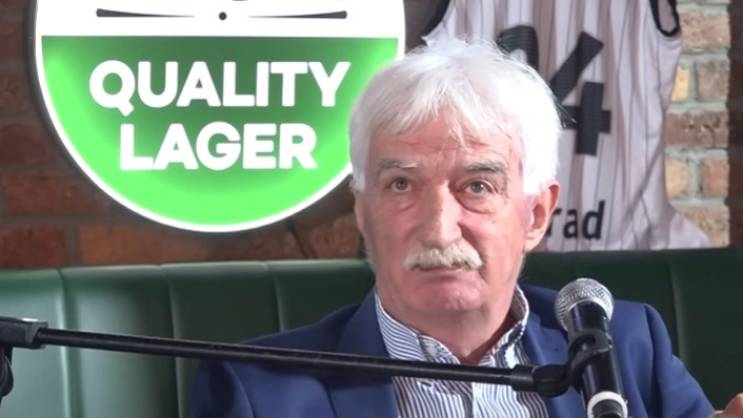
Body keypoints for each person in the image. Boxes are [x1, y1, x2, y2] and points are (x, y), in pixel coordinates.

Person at [190, 39, 742, 418]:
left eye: (477, 186)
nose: (438, 229)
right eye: (401, 185)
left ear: (536, 214)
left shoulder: (625, 346)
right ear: (363, 211)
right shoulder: (259, 391)